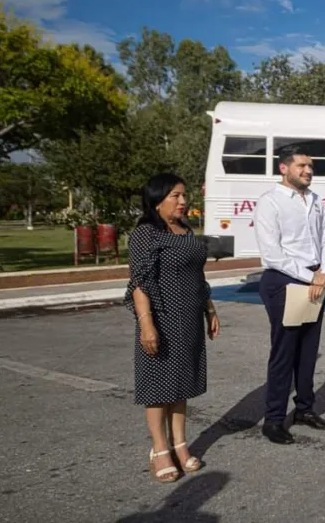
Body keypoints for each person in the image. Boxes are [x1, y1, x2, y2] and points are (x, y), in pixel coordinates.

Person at [125, 173, 220, 483]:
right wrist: (146, 325)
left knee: (182, 384)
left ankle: (180, 444)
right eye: (176, 196)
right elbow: (139, 282)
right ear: (157, 199)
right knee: (158, 386)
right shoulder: (145, 234)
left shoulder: (185, 230)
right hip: (162, 318)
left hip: (190, 316)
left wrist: (209, 308)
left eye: (184, 195)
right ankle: (159, 449)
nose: (183, 201)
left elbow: (197, 274)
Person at [253, 145, 325, 444]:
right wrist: (311, 276)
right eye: (302, 165)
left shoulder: (315, 200)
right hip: (284, 281)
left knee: (308, 351)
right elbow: (273, 254)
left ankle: (305, 408)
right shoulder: (270, 202)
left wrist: (324, 274)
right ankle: (274, 419)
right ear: (284, 168)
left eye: (311, 166)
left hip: (315, 279)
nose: (308, 171)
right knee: (284, 353)